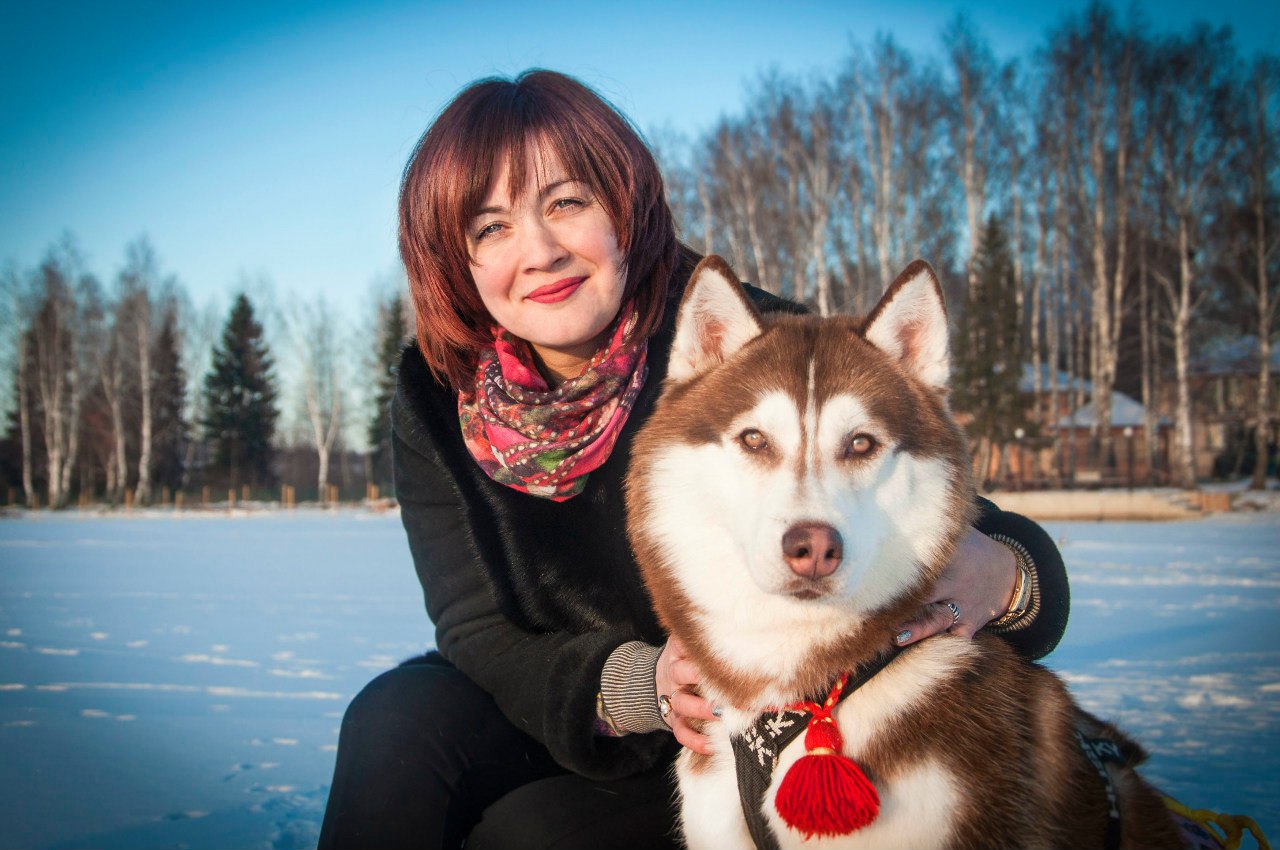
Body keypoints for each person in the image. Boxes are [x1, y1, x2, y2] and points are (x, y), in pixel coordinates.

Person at [317, 69, 1069, 850]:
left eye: (566, 202)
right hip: (573, 710)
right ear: (458, 262)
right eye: (490, 228)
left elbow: (944, 523)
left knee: (525, 835)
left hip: (733, 738)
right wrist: (633, 685)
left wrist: (1008, 575)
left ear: (624, 211)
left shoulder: (748, 348)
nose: (538, 251)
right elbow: (474, 627)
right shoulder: (442, 397)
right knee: (395, 721)